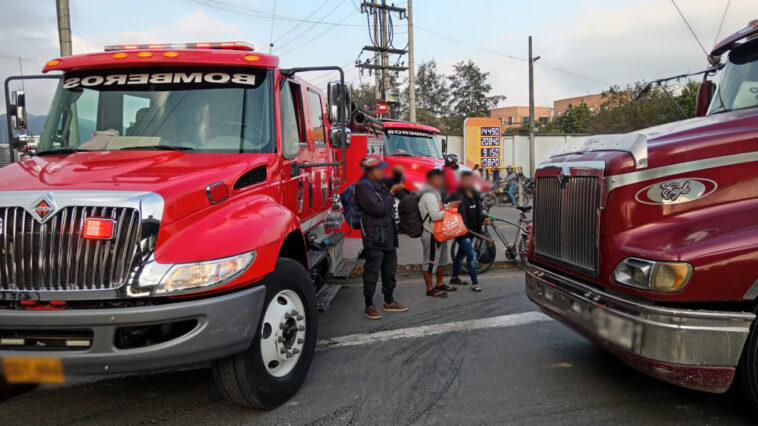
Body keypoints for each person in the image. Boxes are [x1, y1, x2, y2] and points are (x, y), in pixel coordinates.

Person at [355, 155, 408, 320]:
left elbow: (396, 186)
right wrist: (391, 192)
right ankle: (369, 305)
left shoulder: (379, 184)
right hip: (374, 236)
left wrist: (399, 175)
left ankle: (389, 301)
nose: (382, 171)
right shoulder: (363, 186)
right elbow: (379, 209)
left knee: (389, 270)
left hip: (388, 235)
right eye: (379, 169)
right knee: (371, 272)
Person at [418, 169, 460, 298]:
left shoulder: (436, 193)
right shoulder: (428, 195)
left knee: (442, 261)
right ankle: (430, 289)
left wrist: (448, 205)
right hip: (431, 234)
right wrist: (451, 209)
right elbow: (435, 215)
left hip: (440, 233)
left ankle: (440, 284)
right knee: (430, 263)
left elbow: (439, 209)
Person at [448, 171, 491, 292]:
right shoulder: (457, 196)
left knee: (460, 254)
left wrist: (484, 218)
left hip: (473, 231)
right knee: (471, 256)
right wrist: (464, 228)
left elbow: (479, 212)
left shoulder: (475, 195)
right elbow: (457, 215)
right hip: (462, 232)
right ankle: (475, 282)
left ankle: (454, 277)